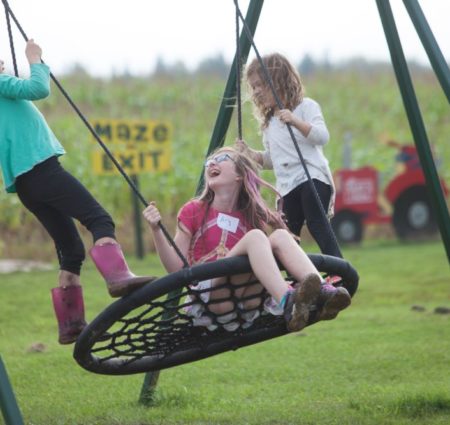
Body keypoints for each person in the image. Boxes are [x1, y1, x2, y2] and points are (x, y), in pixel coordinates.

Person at [0, 40, 154, 345]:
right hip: (43, 170)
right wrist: (35, 59)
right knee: (99, 219)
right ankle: (118, 278)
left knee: (70, 251)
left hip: (26, 185)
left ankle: (70, 325)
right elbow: (38, 89)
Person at [143, 147, 350, 332]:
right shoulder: (194, 211)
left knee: (279, 237)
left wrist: (280, 227)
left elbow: (268, 259)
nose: (212, 163)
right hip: (213, 297)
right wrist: (156, 230)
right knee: (256, 238)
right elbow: (175, 268)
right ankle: (287, 302)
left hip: (247, 300)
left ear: (240, 176)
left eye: (223, 158)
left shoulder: (251, 217)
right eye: (210, 161)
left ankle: (324, 292)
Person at [236, 53, 340, 258]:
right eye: (253, 86)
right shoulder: (269, 123)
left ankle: (337, 267)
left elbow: (322, 136)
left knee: (316, 222)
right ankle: (299, 278)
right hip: (287, 186)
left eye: (260, 84)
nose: (256, 91)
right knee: (287, 234)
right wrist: (251, 155)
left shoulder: (305, 107)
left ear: (279, 81)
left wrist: (295, 121)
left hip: (312, 177)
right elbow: (273, 160)